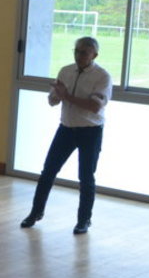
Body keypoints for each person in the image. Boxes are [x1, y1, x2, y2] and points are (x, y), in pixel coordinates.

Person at [20, 36, 113, 234]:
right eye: (76, 51)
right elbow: (52, 101)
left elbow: (95, 106)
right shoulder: (65, 71)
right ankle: (35, 212)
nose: (78, 55)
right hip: (66, 128)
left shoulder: (102, 76)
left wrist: (67, 96)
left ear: (94, 55)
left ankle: (84, 220)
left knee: (86, 176)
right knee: (48, 171)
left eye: (84, 52)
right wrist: (56, 96)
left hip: (90, 131)